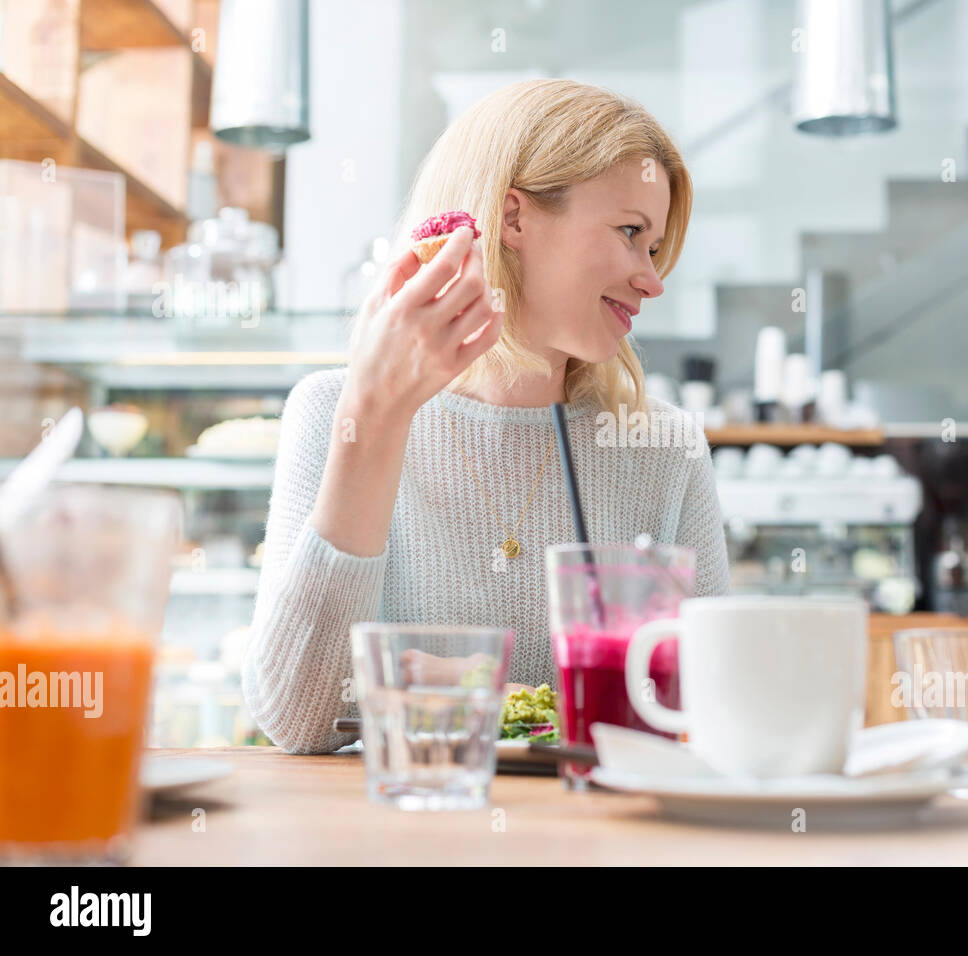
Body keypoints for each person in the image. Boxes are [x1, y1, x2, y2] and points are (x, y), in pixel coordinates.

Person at [242, 79, 731, 755]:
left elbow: (710, 709)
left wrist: (473, 683)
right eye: (630, 234)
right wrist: (376, 416)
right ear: (514, 218)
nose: (652, 280)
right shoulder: (334, 413)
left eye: (653, 249)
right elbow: (299, 720)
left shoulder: (663, 447)